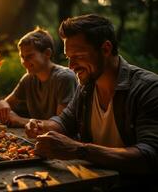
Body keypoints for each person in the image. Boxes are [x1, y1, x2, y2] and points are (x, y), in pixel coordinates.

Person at [26, 14, 158, 190]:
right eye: (68, 57)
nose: (71, 66)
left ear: (106, 49)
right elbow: (65, 121)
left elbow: (149, 157)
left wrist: (78, 150)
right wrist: (43, 126)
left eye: (79, 56)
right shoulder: (87, 86)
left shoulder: (148, 88)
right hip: (93, 183)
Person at [0, 27, 78, 127]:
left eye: (30, 56)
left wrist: (20, 120)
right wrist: (2, 103)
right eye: (22, 57)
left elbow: (61, 125)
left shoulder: (64, 78)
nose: (24, 62)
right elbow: (7, 103)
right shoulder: (28, 79)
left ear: (47, 53)